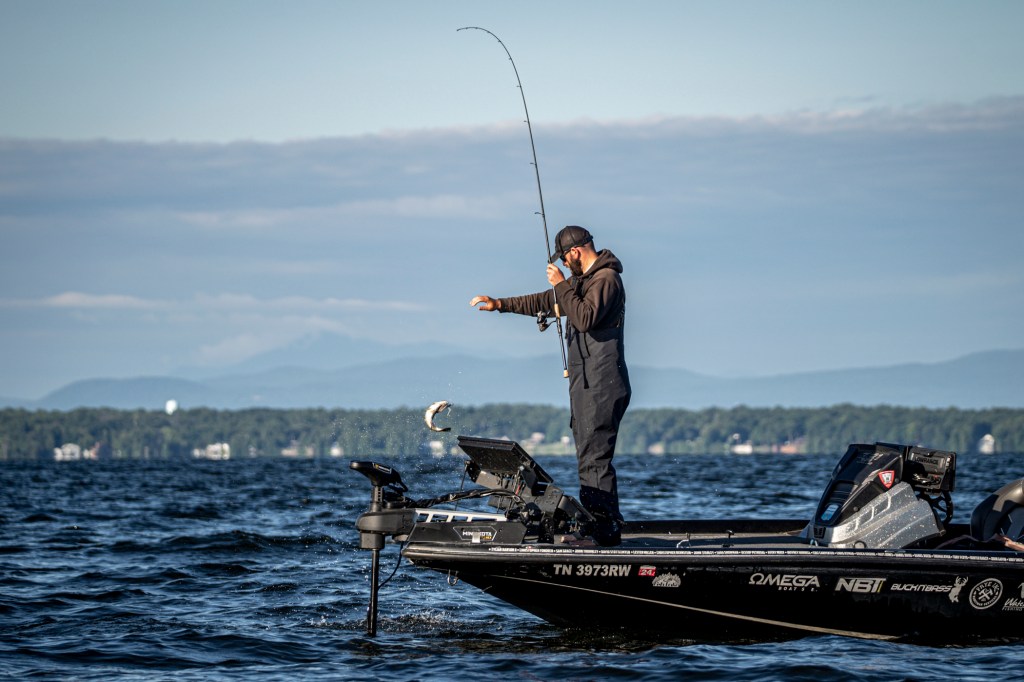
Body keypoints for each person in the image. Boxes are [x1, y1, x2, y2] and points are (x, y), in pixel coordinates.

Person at [470, 225, 631, 546]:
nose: (564, 266)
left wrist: (560, 284)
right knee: (588, 457)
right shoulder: (582, 283)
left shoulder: (606, 279)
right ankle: (596, 528)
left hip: (603, 385)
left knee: (595, 458)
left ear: (575, 252)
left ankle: (604, 534)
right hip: (587, 385)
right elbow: (546, 301)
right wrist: (500, 304)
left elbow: (584, 317)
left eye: (565, 259)